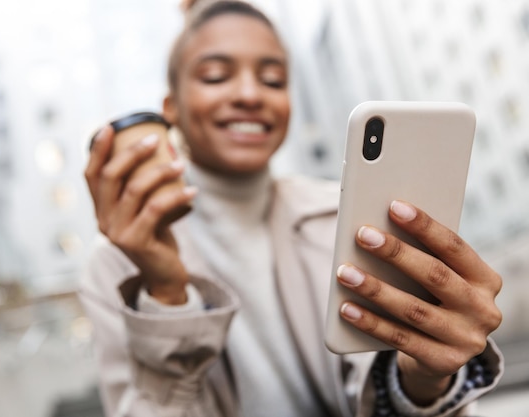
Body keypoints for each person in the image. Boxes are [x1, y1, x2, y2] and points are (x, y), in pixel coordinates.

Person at [80, 1, 503, 416]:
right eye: (215, 76)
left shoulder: (343, 216)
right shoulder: (117, 266)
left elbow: (381, 387)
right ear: (170, 108)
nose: (249, 95)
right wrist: (167, 296)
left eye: (273, 80)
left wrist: (425, 379)